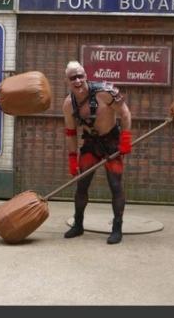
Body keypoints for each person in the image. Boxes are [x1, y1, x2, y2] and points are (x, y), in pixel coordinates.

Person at [62, 61, 132, 244]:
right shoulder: (69, 104)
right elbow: (70, 133)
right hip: (90, 143)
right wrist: (72, 159)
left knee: (115, 186)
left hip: (111, 142)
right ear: (67, 81)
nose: (77, 80)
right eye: (73, 78)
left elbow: (125, 113)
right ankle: (78, 225)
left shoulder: (105, 93)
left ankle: (117, 228)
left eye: (80, 76)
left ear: (86, 75)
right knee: (81, 185)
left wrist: (125, 139)